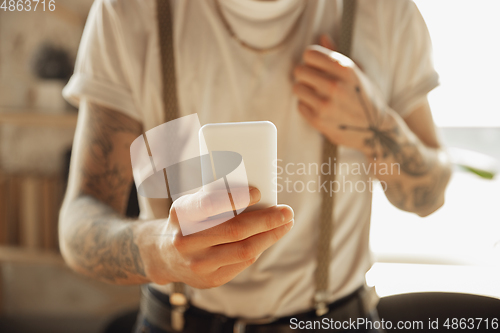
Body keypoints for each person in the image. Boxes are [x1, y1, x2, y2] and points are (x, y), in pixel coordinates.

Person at [59, 0, 452, 332]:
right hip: (175, 320)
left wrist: (374, 125)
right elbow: (77, 226)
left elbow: (429, 197)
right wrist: (161, 252)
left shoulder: (384, 11)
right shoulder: (128, 10)